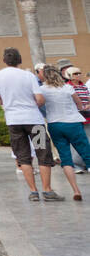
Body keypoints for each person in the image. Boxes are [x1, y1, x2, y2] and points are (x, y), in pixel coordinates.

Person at [0, 48, 60, 201]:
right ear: (20, 60)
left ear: (4, 60)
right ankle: (47, 190)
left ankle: (33, 191)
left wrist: (8, 105)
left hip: (13, 121)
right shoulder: (28, 75)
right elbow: (40, 98)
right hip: (34, 120)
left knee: (23, 156)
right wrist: (32, 105)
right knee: (43, 153)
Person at [39, 65, 89, 201]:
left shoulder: (42, 89)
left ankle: (76, 190)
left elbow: (40, 103)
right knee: (87, 154)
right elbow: (79, 104)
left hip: (55, 124)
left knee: (66, 159)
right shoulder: (67, 88)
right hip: (73, 123)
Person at [65, 65, 90, 173]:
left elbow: (88, 98)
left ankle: (85, 163)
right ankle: (76, 164)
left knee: (87, 140)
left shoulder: (84, 86)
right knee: (76, 141)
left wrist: (88, 105)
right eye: (75, 73)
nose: (78, 75)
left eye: (79, 73)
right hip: (74, 118)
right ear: (70, 76)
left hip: (87, 116)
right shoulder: (67, 87)